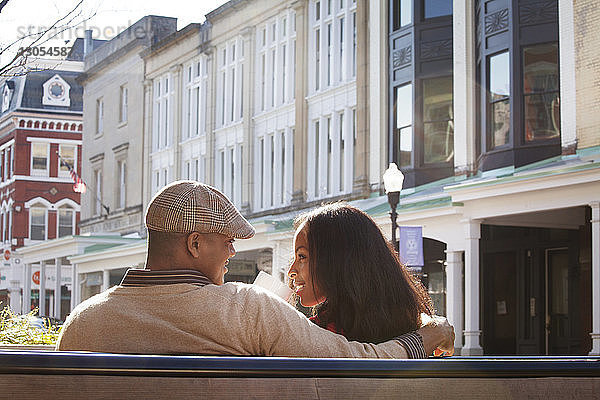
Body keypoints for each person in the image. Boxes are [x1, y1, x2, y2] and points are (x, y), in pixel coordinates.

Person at [57, 181, 454, 358]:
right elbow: (357, 363)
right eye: (226, 239)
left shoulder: (83, 323)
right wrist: (425, 336)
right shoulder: (246, 310)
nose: (232, 250)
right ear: (195, 244)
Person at [288, 203, 451, 354]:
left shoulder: (316, 336)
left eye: (302, 256)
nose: (291, 271)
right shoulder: (414, 329)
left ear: (339, 261)